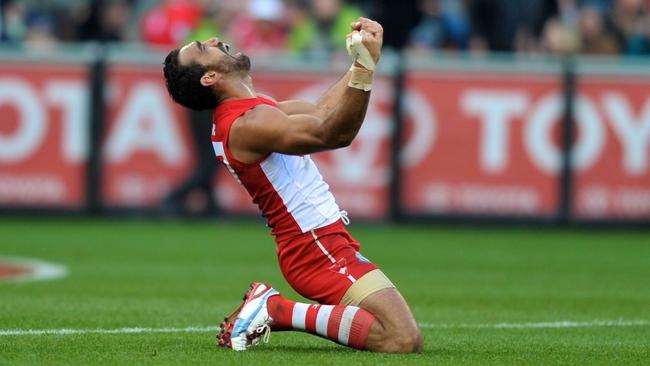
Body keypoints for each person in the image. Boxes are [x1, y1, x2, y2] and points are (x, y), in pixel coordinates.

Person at [162, 17, 423, 353]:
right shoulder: (247, 124)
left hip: (317, 243)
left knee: (400, 334)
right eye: (202, 48)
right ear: (209, 77)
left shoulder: (251, 112)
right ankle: (275, 309)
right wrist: (365, 68)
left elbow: (321, 110)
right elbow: (333, 133)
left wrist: (362, 59)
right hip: (314, 248)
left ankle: (276, 310)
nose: (212, 39)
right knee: (401, 338)